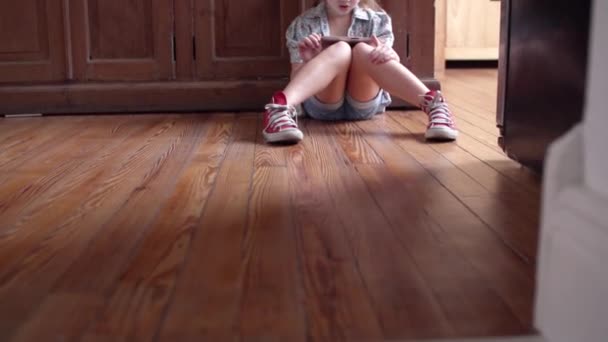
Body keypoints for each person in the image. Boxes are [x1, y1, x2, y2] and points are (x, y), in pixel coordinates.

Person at [262, 0, 458, 144]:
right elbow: (296, 79)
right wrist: (308, 60)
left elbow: (385, 70)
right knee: (341, 49)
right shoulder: (304, 24)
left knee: (363, 50)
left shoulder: (378, 21)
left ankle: (435, 106)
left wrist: (389, 55)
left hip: (364, 103)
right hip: (322, 105)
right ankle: (279, 108)